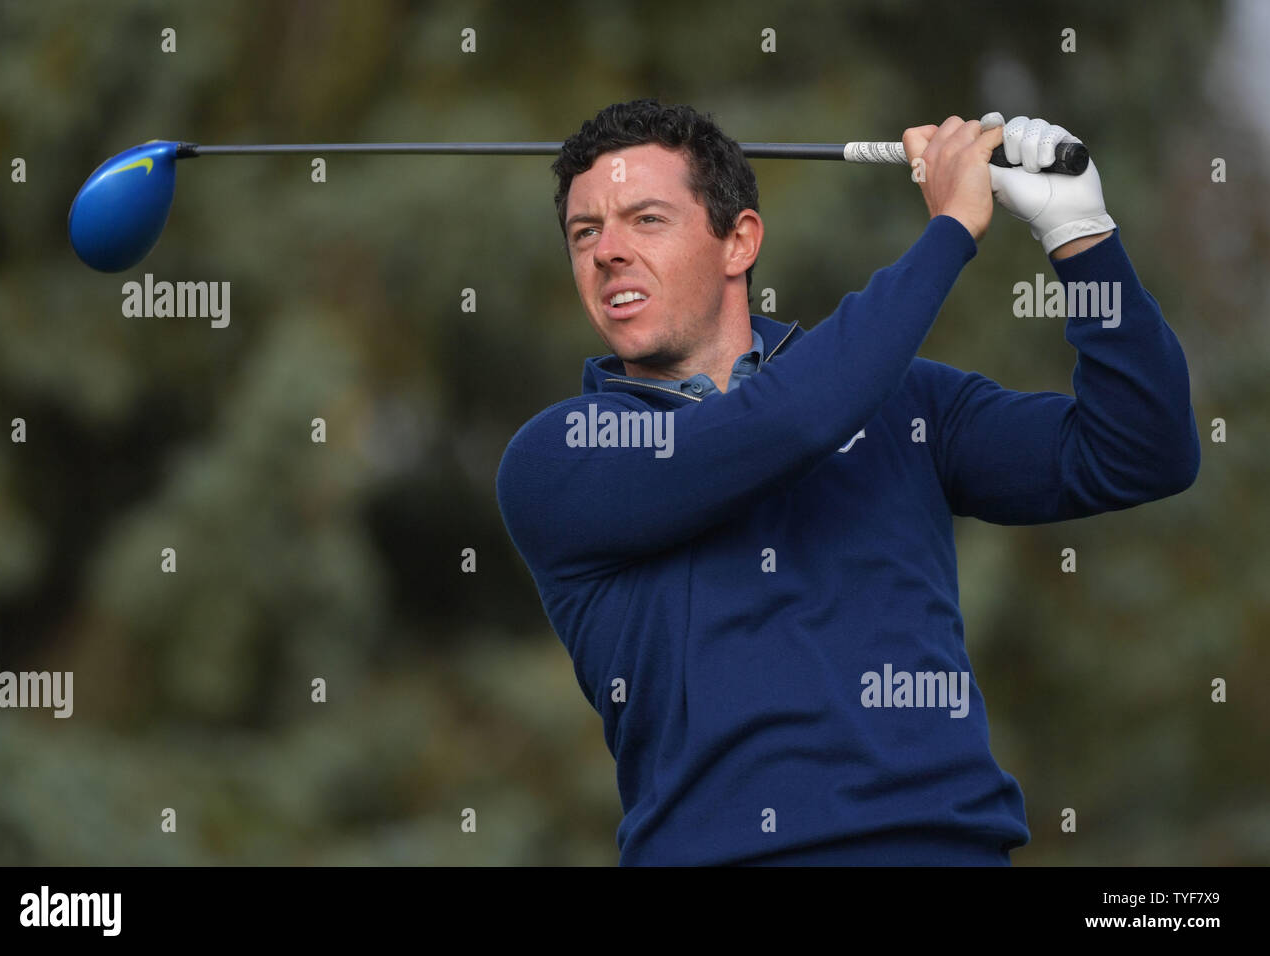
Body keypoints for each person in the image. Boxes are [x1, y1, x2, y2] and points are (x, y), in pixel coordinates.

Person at [494, 99, 1199, 865]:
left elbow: (1142, 450)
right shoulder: (562, 456)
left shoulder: (908, 403)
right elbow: (792, 422)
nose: (608, 253)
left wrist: (1082, 237)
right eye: (585, 232)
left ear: (740, 242)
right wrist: (951, 229)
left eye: (646, 219)